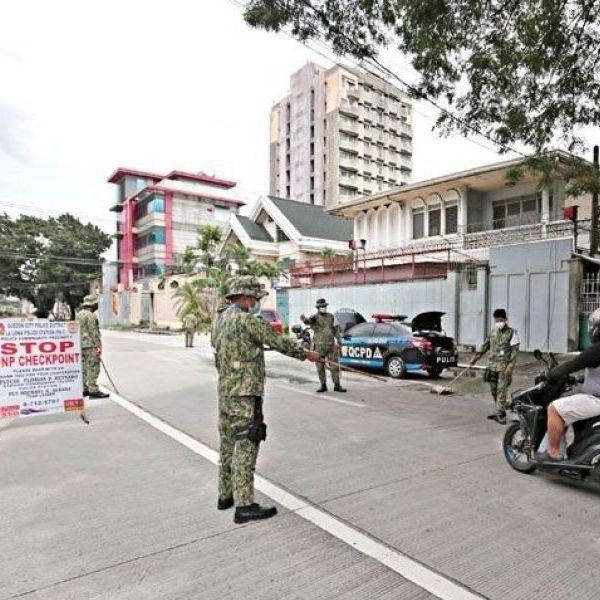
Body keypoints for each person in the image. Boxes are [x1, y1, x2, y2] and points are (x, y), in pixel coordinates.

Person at [212, 276, 320, 524]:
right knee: (246, 445)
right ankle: (244, 505)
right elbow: (278, 342)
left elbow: (217, 349)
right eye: (255, 298)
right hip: (245, 393)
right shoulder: (248, 321)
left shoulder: (220, 321)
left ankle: (225, 496)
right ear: (247, 297)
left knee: (228, 444)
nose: (256, 302)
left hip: (225, 391)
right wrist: (307, 354)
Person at [536, 309, 600, 461]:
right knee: (571, 406)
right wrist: (577, 380)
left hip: (596, 400)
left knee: (554, 409)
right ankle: (579, 451)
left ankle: (553, 452)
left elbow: (571, 365)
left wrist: (549, 374)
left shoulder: (596, 350)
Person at [470, 308, 519, 424]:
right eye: (497, 320)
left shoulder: (512, 333)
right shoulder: (492, 332)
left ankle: (501, 414)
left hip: (504, 367)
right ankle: (499, 410)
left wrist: (511, 366)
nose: (499, 322)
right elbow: (485, 346)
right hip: (491, 366)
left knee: (501, 391)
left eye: (501, 319)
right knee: (494, 390)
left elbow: (515, 351)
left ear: (506, 319)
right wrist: (475, 359)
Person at [300, 298, 346, 393]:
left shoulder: (331, 317)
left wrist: (339, 341)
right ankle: (323, 385)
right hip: (319, 347)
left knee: (334, 366)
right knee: (320, 367)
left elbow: (335, 329)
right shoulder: (314, 318)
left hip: (330, 346)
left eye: (324, 306)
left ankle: (337, 385)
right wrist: (304, 319)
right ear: (318, 308)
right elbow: (307, 321)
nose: (323, 308)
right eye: (321, 306)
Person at [77, 294, 109, 399]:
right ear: (93, 305)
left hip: (80, 345)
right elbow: (93, 332)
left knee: (84, 368)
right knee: (93, 368)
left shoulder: (79, 314)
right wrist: (98, 346)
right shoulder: (91, 315)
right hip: (90, 345)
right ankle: (93, 390)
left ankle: (84, 389)